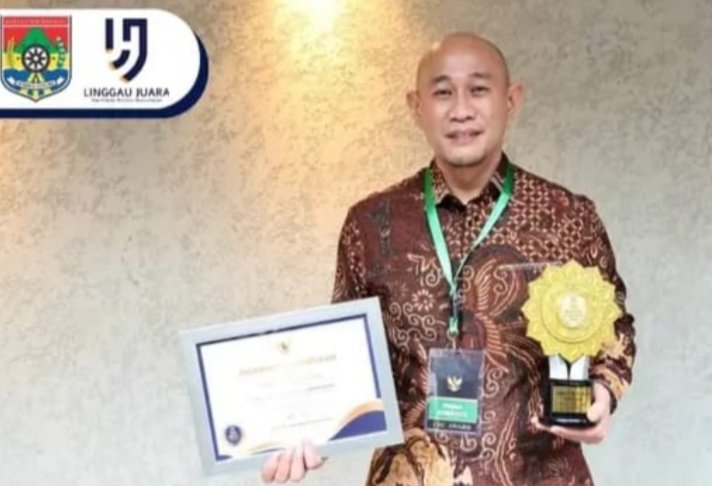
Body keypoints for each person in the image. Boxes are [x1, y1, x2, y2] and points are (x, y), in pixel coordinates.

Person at [261, 32, 635, 485]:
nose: (461, 109)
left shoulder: (568, 217)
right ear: (416, 106)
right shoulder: (371, 224)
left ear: (511, 100)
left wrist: (603, 391)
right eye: (442, 92)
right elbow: (343, 356)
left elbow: (614, 325)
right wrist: (305, 430)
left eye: (478, 89)